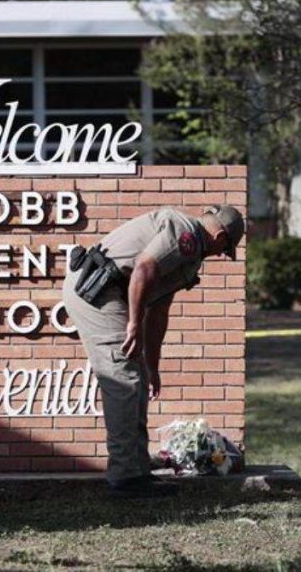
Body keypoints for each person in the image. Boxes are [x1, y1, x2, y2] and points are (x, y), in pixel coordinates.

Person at [61, 204, 245, 497]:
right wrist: (133, 323)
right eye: (225, 250)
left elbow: (158, 311)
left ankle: (137, 471)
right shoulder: (185, 233)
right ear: (221, 237)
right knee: (124, 378)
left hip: (110, 292)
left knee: (138, 377)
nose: (221, 255)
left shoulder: (190, 255)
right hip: (95, 292)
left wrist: (153, 366)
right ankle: (126, 478)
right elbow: (144, 269)